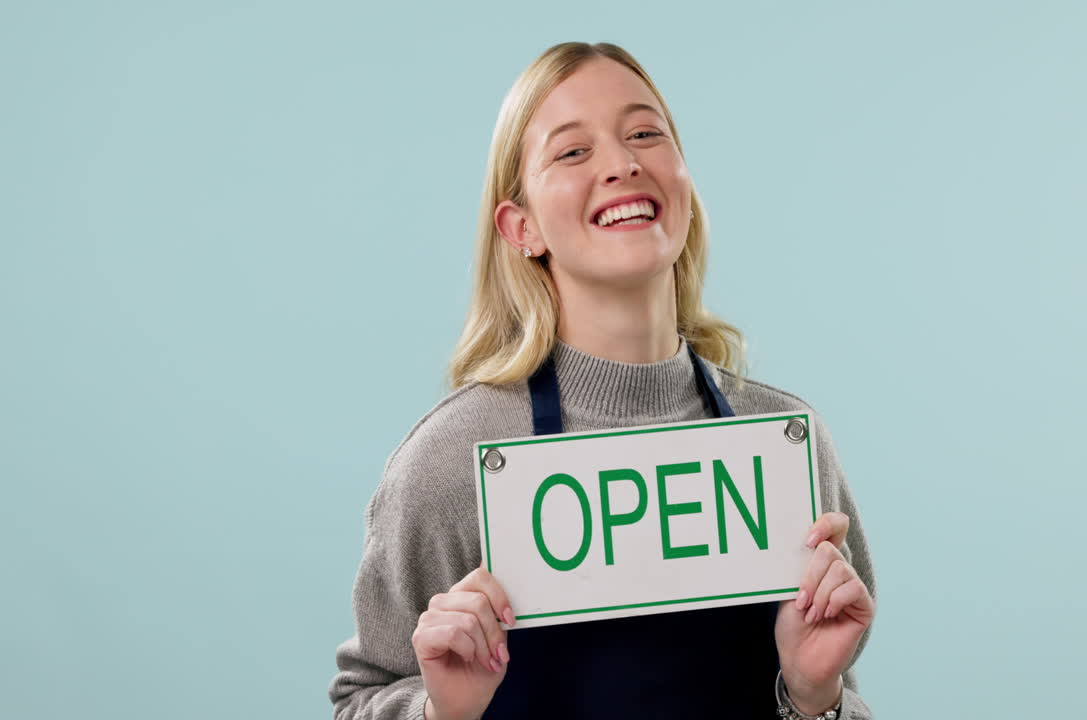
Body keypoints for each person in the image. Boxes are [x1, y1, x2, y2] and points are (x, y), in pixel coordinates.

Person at [328, 41, 877, 720]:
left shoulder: (785, 446)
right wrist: (442, 714)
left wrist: (816, 698)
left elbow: (829, 695)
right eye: (571, 151)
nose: (623, 164)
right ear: (520, 226)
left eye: (646, 134)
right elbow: (361, 699)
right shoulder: (453, 459)